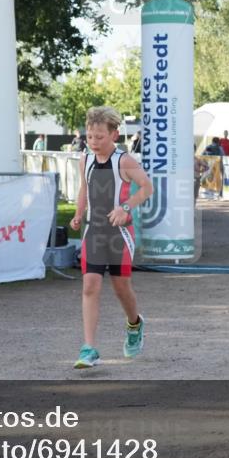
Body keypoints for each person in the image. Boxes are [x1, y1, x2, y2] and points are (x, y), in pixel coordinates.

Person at [69, 106, 153, 369]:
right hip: (94, 231)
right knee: (90, 285)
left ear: (114, 135)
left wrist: (125, 207)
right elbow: (85, 188)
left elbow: (147, 187)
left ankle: (134, 323)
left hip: (119, 234)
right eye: (90, 136)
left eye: (99, 137)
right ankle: (89, 348)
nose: (93, 142)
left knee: (120, 287)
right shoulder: (85, 159)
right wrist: (78, 213)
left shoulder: (125, 161)